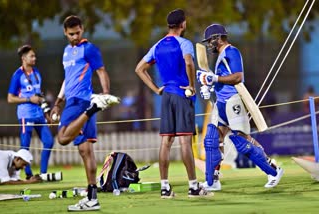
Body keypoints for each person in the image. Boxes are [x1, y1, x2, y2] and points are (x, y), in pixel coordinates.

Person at [196, 24, 284, 191]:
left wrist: (213, 79)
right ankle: (212, 181)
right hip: (221, 103)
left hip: (233, 102)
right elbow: (221, 79)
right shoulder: (221, 55)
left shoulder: (232, 52)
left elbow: (237, 77)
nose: (208, 44)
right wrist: (209, 87)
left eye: (210, 40)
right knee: (212, 141)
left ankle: (273, 170)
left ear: (218, 38)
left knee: (242, 141)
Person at [135, 9, 212, 198]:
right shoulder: (184, 43)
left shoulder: (158, 45)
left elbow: (139, 69)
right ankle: (194, 187)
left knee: (166, 141)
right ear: (183, 24)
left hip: (167, 95)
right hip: (182, 94)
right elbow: (188, 63)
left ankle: (164, 187)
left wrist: (156, 89)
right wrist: (192, 86)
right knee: (185, 140)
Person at [49, 15, 120, 211]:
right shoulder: (66, 52)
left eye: (78, 32)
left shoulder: (88, 48)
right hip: (74, 101)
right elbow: (67, 79)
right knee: (86, 151)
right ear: (65, 32)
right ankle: (92, 198)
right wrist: (57, 102)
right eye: (71, 34)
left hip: (79, 102)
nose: (75, 36)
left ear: (82, 29)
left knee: (62, 138)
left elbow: (102, 72)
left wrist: (105, 95)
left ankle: (92, 110)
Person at [7, 45, 54, 180]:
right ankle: (28, 175)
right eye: (31, 56)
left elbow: (39, 95)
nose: (35, 58)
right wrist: (29, 99)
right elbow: (10, 98)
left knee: (49, 141)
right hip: (25, 114)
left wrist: (46, 113)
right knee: (25, 147)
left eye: (34, 56)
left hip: (39, 114)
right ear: (23, 58)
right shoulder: (17, 75)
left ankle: (43, 174)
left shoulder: (36, 72)